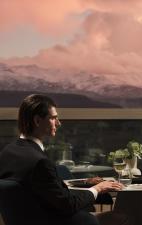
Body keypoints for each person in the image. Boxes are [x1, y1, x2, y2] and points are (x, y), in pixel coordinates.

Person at [0, 94, 129, 225]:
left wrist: (84, 183)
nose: (59, 123)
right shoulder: (39, 162)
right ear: (37, 121)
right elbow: (68, 205)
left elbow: (44, 191)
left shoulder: (7, 152)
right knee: (121, 217)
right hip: (56, 220)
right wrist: (98, 188)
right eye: (53, 118)